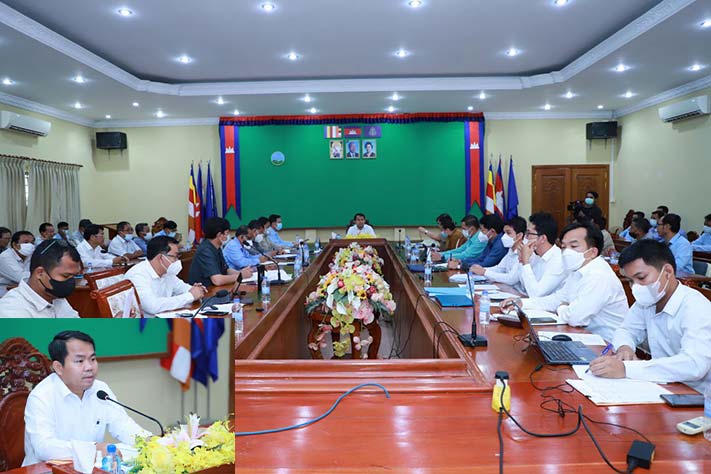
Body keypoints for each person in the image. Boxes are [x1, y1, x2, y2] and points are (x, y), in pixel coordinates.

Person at [589, 240, 711, 393]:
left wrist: (627, 369)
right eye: (631, 281)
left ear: (667, 272)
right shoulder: (648, 300)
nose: (635, 287)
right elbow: (626, 330)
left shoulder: (696, 307)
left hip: (698, 396)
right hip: (664, 386)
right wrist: (624, 347)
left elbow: (694, 365)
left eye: (641, 278)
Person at [22, 331, 151, 465]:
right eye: (80, 361)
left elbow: (123, 426)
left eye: (92, 359)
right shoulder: (41, 397)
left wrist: (150, 442)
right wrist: (94, 448)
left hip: (91, 468)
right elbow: (43, 447)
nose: (89, 367)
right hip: (47, 469)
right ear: (59, 367)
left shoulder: (100, 390)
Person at [502, 222, 628, 342]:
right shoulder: (577, 269)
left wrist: (561, 308)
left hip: (607, 346)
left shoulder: (599, 275)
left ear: (592, 252)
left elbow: (575, 318)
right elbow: (558, 299)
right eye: (563, 247)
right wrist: (521, 303)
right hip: (581, 336)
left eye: (574, 246)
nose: (567, 252)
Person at [126, 236, 207, 316]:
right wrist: (190, 296)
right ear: (161, 257)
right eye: (175, 256)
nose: (177, 261)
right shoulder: (137, 275)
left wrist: (196, 290)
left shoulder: (167, 272)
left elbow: (182, 287)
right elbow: (152, 306)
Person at [0, 239, 81, 318]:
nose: (71, 281)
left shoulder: (56, 297)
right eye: (66, 276)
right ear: (40, 273)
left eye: (75, 276)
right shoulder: (11, 310)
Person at [512, 212, 566, 298]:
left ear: (542, 238)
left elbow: (536, 294)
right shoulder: (536, 255)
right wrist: (522, 259)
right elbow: (523, 286)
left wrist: (525, 262)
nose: (525, 237)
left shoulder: (558, 260)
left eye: (529, 233)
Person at [188, 217, 252, 287]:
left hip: (216, 288)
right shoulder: (205, 250)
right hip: (205, 290)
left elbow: (226, 270)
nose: (227, 237)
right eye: (226, 233)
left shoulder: (217, 247)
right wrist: (240, 276)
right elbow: (217, 280)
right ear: (219, 235)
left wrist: (240, 272)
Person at [469, 216, 527, 292]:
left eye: (508, 233)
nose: (504, 236)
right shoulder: (511, 250)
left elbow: (511, 279)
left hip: (520, 293)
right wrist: (479, 269)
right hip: (508, 289)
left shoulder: (524, 252)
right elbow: (499, 269)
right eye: (504, 233)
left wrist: (484, 272)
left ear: (519, 235)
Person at [0, 231, 34, 296]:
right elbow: (21, 277)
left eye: (32, 243)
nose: (30, 245)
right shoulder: (5, 257)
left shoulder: (30, 255)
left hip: (23, 289)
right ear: (15, 245)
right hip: (5, 292)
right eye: (26, 242)